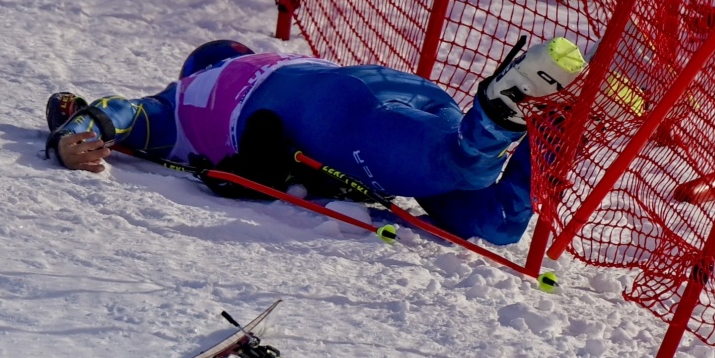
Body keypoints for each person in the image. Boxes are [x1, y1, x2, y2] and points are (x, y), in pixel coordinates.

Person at [45, 37, 586, 246]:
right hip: (389, 92)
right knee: (495, 223)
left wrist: (78, 133)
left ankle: (501, 109)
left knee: (459, 165)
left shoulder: (179, 100)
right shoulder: (262, 64)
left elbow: (122, 113)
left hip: (327, 114)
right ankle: (554, 129)